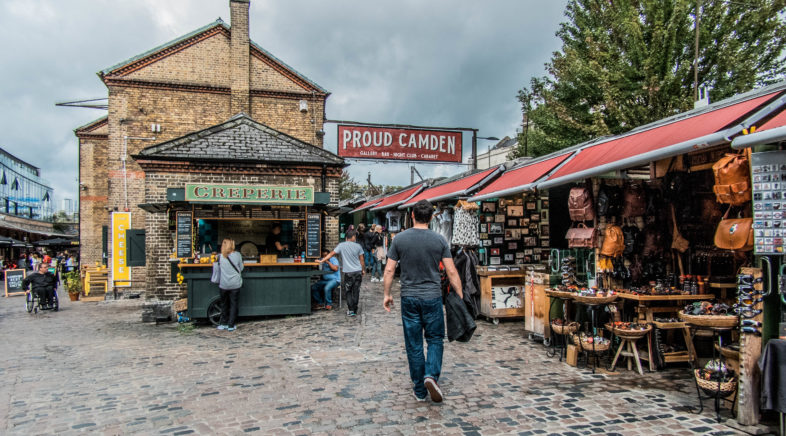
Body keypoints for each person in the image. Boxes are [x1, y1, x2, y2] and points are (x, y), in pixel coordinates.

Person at [383, 199, 463, 403]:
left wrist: (387, 294)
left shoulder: (399, 239)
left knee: (414, 344)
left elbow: (390, 269)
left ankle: (419, 389)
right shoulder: (439, 240)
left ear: (412, 216)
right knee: (435, 339)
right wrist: (460, 295)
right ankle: (431, 375)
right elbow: (452, 271)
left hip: (409, 297)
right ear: (431, 217)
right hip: (432, 297)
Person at [320, 229, 364, 317]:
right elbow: (361, 260)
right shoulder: (358, 246)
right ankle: (355, 308)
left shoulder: (341, 245)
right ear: (353, 237)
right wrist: (363, 270)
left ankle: (351, 310)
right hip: (358, 271)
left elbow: (331, 254)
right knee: (356, 291)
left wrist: (322, 260)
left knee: (348, 291)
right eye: (355, 236)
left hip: (348, 273)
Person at [216, 239, 244, 331]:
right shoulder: (238, 255)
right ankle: (231, 325)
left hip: (224, 284)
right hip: (235, 284)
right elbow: (241, 268)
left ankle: (223, 323)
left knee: (224, 304)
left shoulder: (220, 257)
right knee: (233, 304)